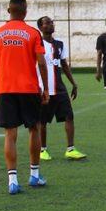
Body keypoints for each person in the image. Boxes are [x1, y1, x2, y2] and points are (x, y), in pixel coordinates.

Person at [0, 0, 49, 194]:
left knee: (10, 133)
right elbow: (41, 62)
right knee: (34, 128)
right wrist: (46, 88)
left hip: (6, 89)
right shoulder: (32, 33)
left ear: (8, 10)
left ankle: (12, 181)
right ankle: (34, 175)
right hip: (28, 88)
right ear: (25, 12)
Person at [36, 16, 86, 161]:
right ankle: (42, 150)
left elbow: (63, 64)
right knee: (43, 121)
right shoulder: (37, 44)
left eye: (52, 22)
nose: (51, 24)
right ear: (40, 27)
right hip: (44, 89)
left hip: (60, 88)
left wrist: (73, 83)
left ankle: (70, 149)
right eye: (47, 23)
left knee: (69, 116)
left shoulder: (60, 44)